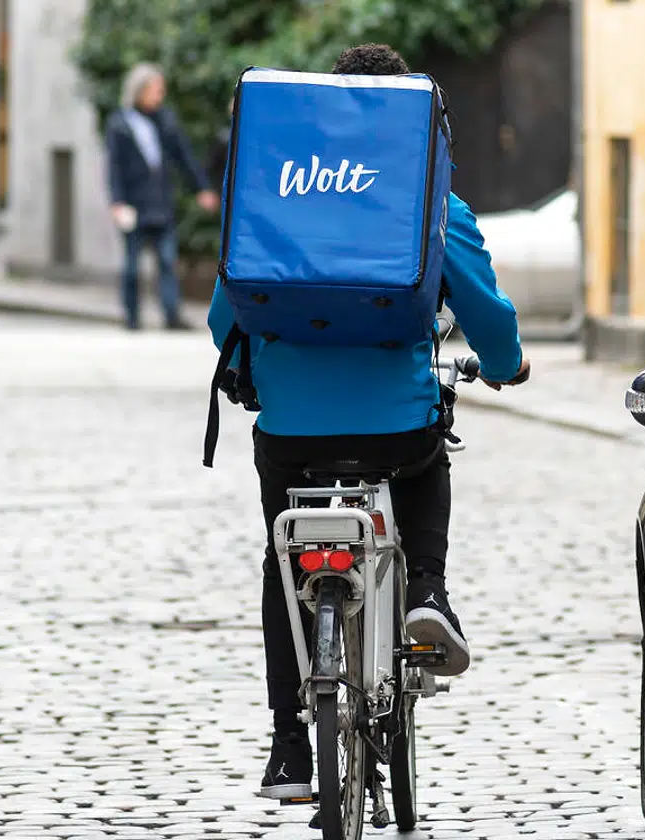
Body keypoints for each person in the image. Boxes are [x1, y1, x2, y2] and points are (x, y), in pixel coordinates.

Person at [206, 43, 531, 800]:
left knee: (281, 563)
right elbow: (485, 315)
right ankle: (429, 594)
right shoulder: (431, 200)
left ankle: (290, 746)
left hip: (290, 435)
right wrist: (510, 363)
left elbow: (226, 316)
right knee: (426, 462)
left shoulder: (277, 196)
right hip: (395, 430)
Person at [105, 63, 217, 331]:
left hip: (161, 204)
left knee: (168, 261)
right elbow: (114, 166)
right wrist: (117, 201)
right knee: (132, 266)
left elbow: (184, 157)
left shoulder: (166, 120)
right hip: (133, 205)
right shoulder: (120, 124)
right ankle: (131, 316)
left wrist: (201, 188)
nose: (160, 96)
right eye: (156, 90)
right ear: (139, 91)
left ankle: (171, 315)